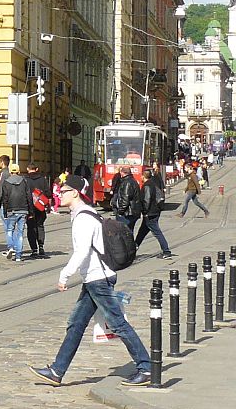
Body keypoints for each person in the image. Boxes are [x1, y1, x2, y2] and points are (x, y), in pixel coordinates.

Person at [28, 174, 152, 387]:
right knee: (76, 323)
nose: (59, 193)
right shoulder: (82, 214)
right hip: (94, 278)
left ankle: (146, 367)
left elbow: (82, 251)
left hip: (98, 279)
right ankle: (57, 371)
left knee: (118, 324)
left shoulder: (84, 218)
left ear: (75, 192)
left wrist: (64, 275)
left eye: (64, 190)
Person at [135, 162, 172, 258]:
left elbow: (147, 200)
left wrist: (145, 212)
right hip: (154, 211)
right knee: (142, 231)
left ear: (143, 176)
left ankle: (166, 251)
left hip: (150, 213)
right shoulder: (153, 183)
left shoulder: (147, 186)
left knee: (157, 232)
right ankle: (134, 247)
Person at [0, 164, 32, 262]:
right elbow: (29, 196)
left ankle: (11, 247)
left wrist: (4, 211)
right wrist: (31, 211)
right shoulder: (24, 181)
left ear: (10, 172)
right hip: (23, 210)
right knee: (20, 233)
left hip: (11, 210)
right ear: (19, 171)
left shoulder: (6, 182)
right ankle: (18, 256)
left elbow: (5, 198)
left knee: (9, 230)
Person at [25, 163, 52, 259]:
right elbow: (48, 193)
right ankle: (41, 247)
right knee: (40, 226)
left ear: (28, 169)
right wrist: (48, 206)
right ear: (36, 169)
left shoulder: (25, 180)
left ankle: (34, 249)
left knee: (31, 228)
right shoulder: (42, 179)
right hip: (40, 207)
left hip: (29, 207)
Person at [110, 166, 142, 233]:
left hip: (127, 213)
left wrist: (120, 212)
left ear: (122, 173)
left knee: (123, 233)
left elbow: (125, 200)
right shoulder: (133, 181)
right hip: (133, 212)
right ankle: (131, 243)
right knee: (129, 233)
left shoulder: (126, 183)